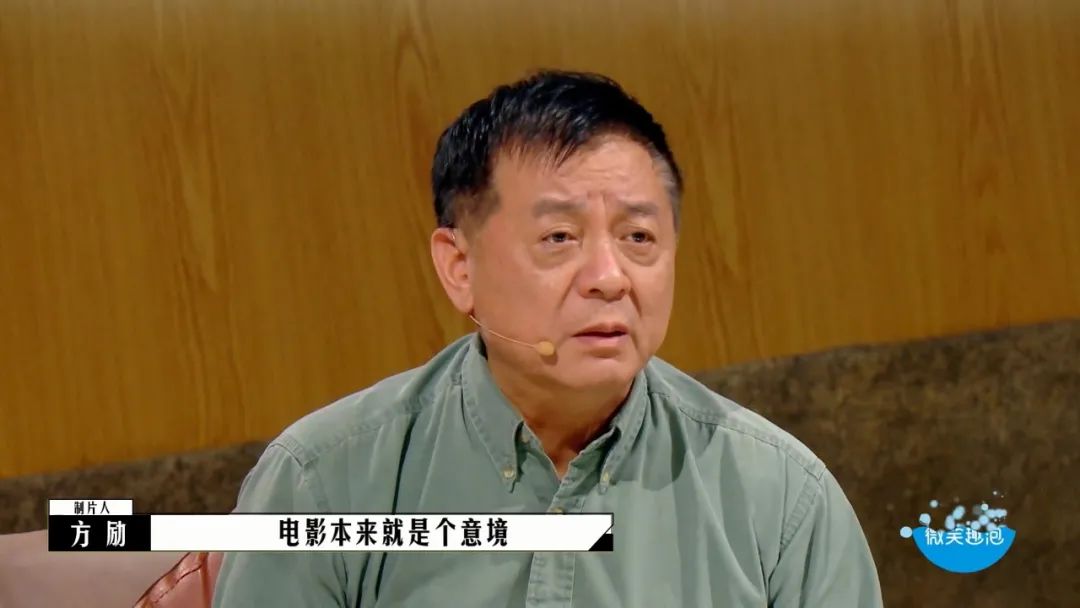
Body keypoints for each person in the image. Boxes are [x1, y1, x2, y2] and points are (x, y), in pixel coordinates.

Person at [213, 69, 883, 607]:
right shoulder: (323, 482)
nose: (609, 278)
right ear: (459, 267)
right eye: (559, 238)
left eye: (639, 237)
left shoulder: (783, 496)